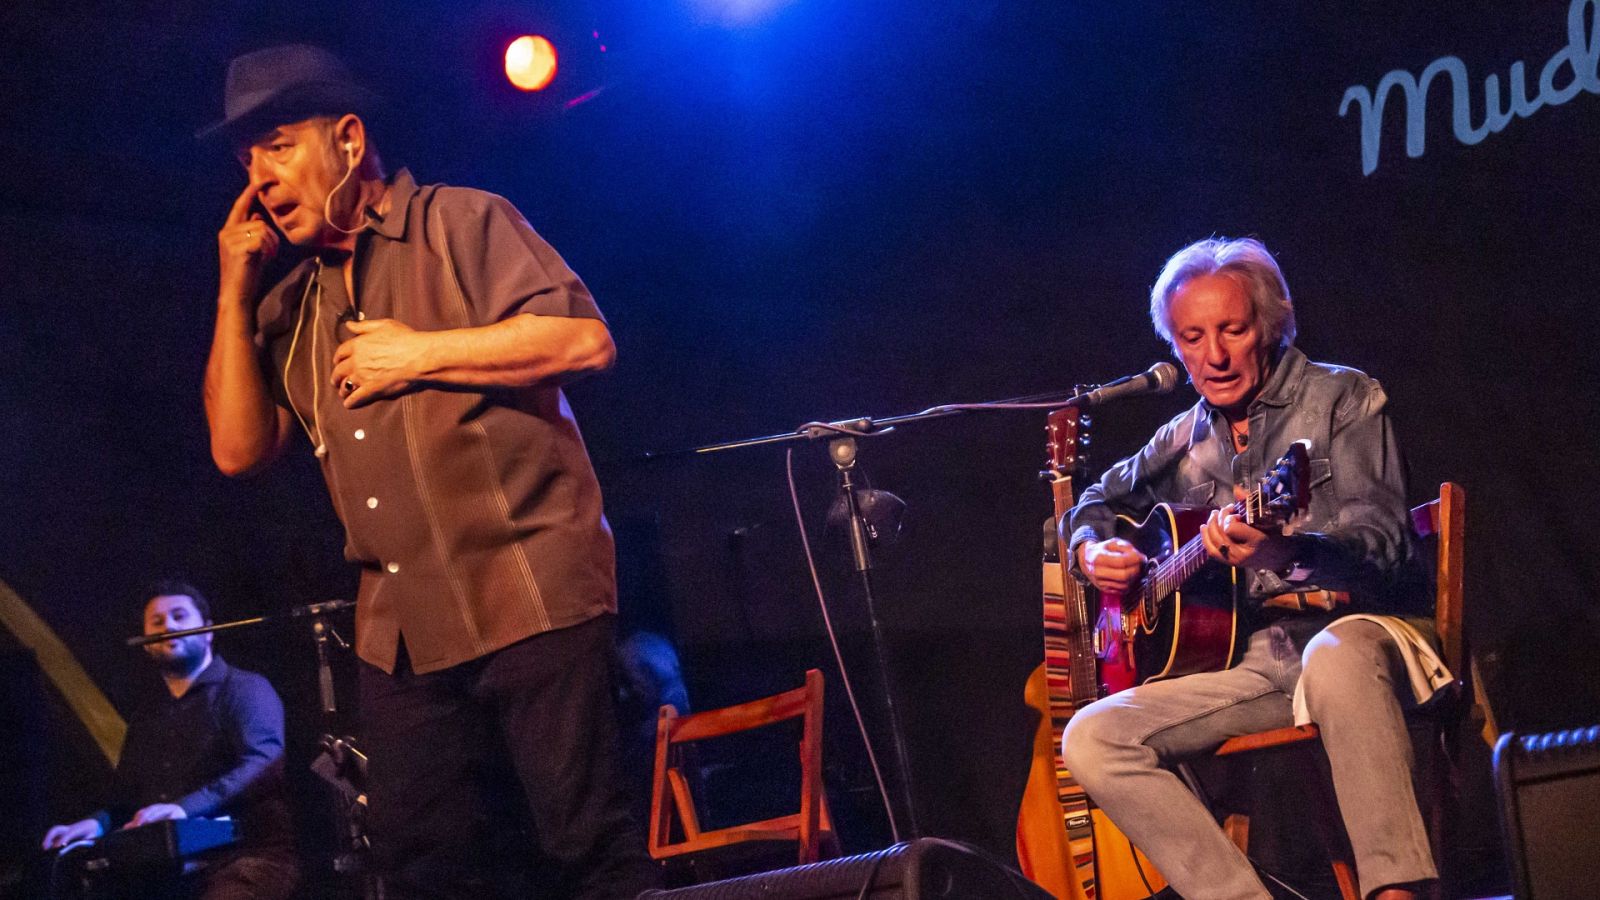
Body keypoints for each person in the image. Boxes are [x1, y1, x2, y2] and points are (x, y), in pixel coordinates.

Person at [198, 44, 655, 898]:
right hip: (401, 632)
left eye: (279, 145)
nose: (259, 176)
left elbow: (583, 340)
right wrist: (233, 287)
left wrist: (420, 354)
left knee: (582, 844)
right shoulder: (290, 307)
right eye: (246, 159)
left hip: (530, 590)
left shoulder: (460, 223)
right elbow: (235, 448)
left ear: (347, 137)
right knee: (425, 870)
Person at [1058, 237, 1440, 900]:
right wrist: (1092, 552)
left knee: (1336, 653)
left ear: (1271, 324)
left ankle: (1396, 891)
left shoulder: (1341, 397)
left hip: (1367, 632)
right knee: (1091, 737)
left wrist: (1286, 551)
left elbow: (1385, 545)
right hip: (1260, 665)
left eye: (1232, 330)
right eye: (1192, 337)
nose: (1214, 354)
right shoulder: (1181, 439)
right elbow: (1090, 503)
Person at [41, 581, 298, 899]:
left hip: (246, 857)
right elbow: (127, 795)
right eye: (158, 622)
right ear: (148, 643)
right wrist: (97, 824)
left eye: (179, 616)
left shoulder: (244, 689)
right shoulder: (147, 714)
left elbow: (263, 763)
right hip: (165, 867)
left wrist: (183, 809)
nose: (169, 626)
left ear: (207, 631)